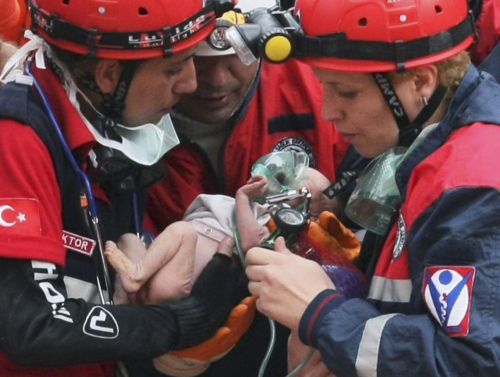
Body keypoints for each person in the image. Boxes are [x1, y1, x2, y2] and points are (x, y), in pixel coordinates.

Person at [245, 0, 500, 376]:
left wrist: (321, 313)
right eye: (323, 87)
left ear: (421, 81)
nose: (329, 112)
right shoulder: (422, 140)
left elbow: (465, 362)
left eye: (345, 92)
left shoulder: (471, 183)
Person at [0, 0, 247, 376]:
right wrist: (172, 325)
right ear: (108, 74)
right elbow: (32, 326)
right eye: (174, 68)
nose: (192, 84)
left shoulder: (100, 107)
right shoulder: (15, 135)